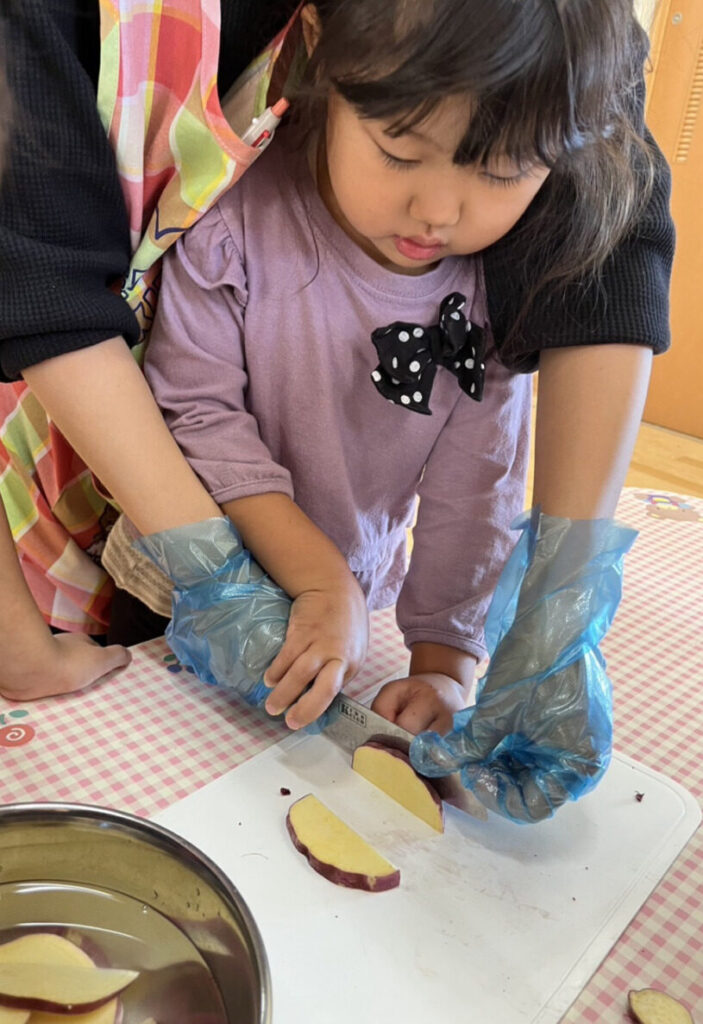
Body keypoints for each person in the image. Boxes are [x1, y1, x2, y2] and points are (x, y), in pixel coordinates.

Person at [0, 0, 673, 820]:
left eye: (502, 172)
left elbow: (477, 485)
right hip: (188, 580)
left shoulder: (495, 283)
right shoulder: (229, 216)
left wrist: (445, 661)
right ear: (317, 46)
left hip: (348, 605)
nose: (438, 211)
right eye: (399, 152)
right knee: (186, 780)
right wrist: (305, 575)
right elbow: (195, 413)